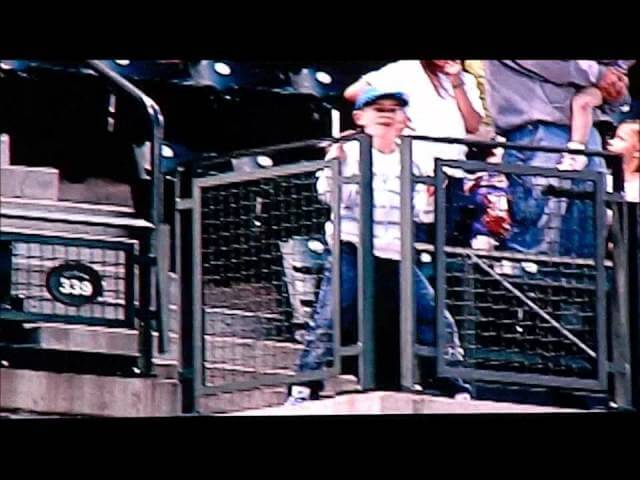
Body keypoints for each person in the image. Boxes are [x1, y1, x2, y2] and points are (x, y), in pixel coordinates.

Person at [285, 88, 472, 405]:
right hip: (352, 249)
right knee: (331, 315)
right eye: (378, 109)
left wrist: (430, 196)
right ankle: (304, 387)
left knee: (433, 317)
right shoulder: (351, 152)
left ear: (404, 119)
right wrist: (335, 167)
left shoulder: (414, 159)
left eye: (394, 109)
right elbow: (331, 199)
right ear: (360, 118)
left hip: (396, 253)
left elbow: (420, 214)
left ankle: (453, 385)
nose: (386, 114)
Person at [484, 60, 630, 257]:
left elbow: (615, 80)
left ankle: (579, 287)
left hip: (589, 133)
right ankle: (535, 287)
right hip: (539, 134)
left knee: (587, 240)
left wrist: (616, 84)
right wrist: (598, 74)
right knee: (543, 240)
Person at [344, 60, 484, 169]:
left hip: (453, 165)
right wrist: (397, 116)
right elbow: (353, 92)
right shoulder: (407, 69)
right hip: (416, 165)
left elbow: (473, 125)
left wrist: (456, 81)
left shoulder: (467, 79)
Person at [560, 61, 636, 172]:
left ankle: (576, 153)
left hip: (606, 82)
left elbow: (618, 71)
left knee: (582, 102)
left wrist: (611, 75)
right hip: (594, 80)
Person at [607, 119, 640, 202]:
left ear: (637, 151)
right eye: (613, 137)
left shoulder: (637, 186)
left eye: (620, 139)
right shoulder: (604, 180)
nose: (610, 142)